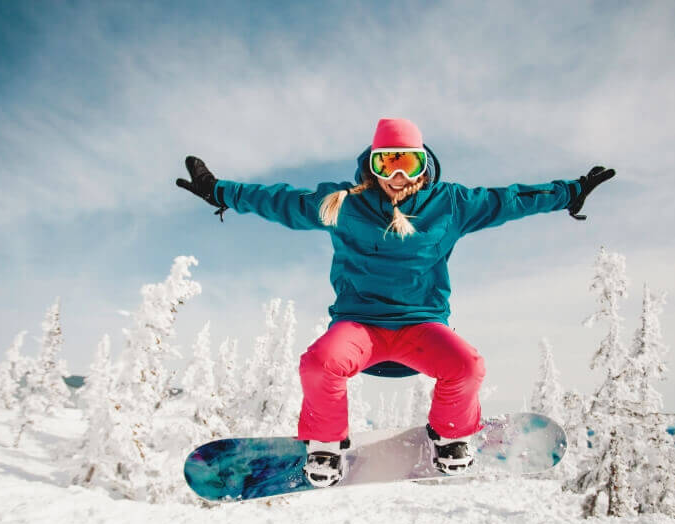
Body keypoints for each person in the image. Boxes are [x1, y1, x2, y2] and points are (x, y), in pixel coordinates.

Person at [177, 118, 614, 487]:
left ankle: (451, 437)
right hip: (359, 325)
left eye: (408, 161)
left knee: (467, 366)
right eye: (388, 162)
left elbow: (511, 200)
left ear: (424, 164)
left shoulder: (451, 204)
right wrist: (220, 192)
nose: (398, 174)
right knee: (319, 363)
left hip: (422, 326)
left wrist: (569, 191)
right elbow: (279, 201)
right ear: (373, 164)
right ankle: (326, 445)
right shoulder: (341, 203)